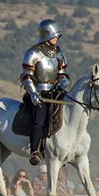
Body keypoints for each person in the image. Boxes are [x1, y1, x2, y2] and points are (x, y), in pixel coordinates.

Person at [19, 19, 70, 166]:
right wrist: (34, 93)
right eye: (55, 35)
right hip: (38, 93)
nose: (57, 38)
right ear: (47, 35)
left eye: (57, 36)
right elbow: (26, 76)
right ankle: (35, 151)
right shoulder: (33, 53)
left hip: (55, 93)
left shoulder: (60, 54)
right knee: (39, 119)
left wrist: (62, 85)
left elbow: (63, 75)